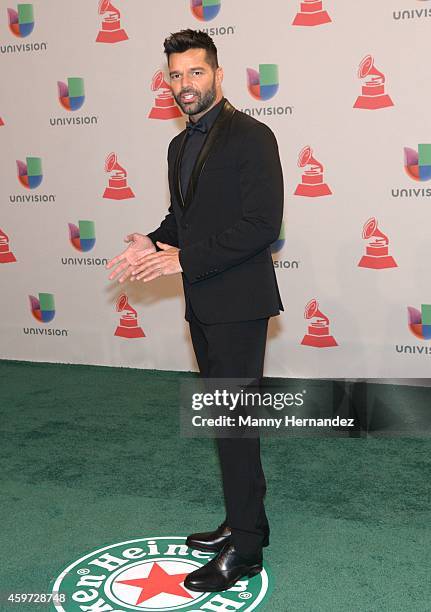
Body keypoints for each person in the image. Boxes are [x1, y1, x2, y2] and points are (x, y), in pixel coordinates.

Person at [106, 29, 284, 592]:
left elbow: (262, 226)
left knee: (234, 424)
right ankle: (244, 521)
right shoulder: (178, 145)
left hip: (240, 304)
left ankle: (247, 551)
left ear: (218, 73)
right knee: (227, 422)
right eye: (176, 75)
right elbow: (184, 220)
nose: (185, 84)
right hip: (203, 304)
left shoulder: (252, 137)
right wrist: (153, 244)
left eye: (196, 72)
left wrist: (182, 261)